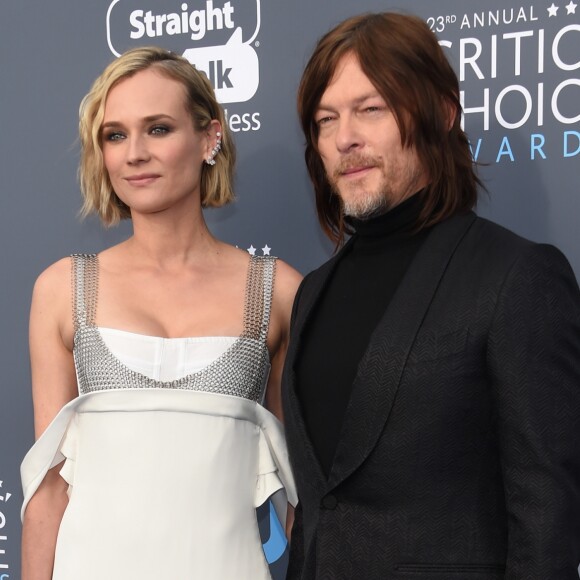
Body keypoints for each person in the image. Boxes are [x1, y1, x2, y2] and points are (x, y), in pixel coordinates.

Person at [281, 12, 580, 580]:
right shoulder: (313, 292)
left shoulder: (517, 276)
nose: (346, 138)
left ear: (442, 112)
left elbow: (547, 515)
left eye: (371, 109)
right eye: (326, 119)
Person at [20, 46, 301, 580]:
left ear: (209, 138)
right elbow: (49, 488)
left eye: (159, 129)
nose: (134, 154)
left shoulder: (279, 292)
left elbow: (297, 490)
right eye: (116, 135)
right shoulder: (62, 289)